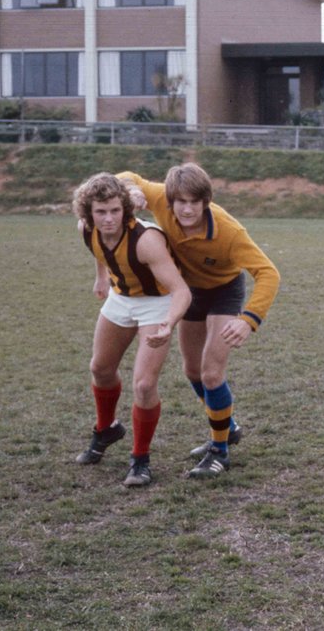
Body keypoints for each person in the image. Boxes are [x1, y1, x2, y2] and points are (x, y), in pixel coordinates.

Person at [119, 163, 281, 479]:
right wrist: (130, 189)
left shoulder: (229, 231)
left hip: (224, 291)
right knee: (191, 370)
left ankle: (219, 451)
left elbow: (269, 273)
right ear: (170, 201)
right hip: (189, 291)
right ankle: (228, 427)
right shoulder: (160, 198)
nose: (188, 209)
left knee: (210, 372)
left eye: (195, 202)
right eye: (181, 202)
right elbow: (126, 176)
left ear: (205, 201)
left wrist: (249, 319)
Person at [72, 173, 191, 487]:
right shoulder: (86, 229)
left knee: (143, 386)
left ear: (125, 208)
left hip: (157, 303)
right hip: (121, 298)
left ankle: (140, 459)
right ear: (88, 213)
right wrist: (101, 277)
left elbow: (182, 291)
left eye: (115, 210)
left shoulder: (147, 239)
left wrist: (168, 322)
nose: (109, 218)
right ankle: (106, 429)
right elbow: (100, 252)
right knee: (100, 368)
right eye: (101, 212)